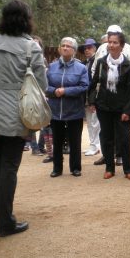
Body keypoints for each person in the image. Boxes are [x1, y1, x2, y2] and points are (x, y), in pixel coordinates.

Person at [0, 0, 47, 237]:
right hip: (17, 113)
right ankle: (5, 222)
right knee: (9, 166)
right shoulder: (30, 48)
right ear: (27, 20)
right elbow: (41, 84)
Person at [89, 31, 130, 180]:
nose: (111, 45)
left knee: (124, 138)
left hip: (122, 108)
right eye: (109, 42)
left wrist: (127, 111)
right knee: (106, 137)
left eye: (115, 42)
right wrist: (92, 101)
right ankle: (109, 168)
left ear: (121, 46)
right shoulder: (102, 62)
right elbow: (94, 82)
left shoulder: (128, 66)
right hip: (104, 106)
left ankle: (128, 169)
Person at [46, 37, 89, 177]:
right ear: (59, 49)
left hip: (74, 111)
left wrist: (65, 91)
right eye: (63, 45)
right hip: (55, 111)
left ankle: (76, 168)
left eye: (68, 46)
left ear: (74, 51)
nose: (65, 48)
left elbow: (84, 87)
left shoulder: (81, 68)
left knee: (75, 141)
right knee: (57, 141)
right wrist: (53, 91)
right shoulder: (51, 67)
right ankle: (57, 168)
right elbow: (44, 86)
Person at [81, 38, 101, 157]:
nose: (87, 50)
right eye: (85, 48)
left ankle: (95, 146)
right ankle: (93, 144)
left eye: (89, 48)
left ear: (95, 48)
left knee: (95, 122)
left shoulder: (97, 62)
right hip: (86, 96)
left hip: (94, 96)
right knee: (89, 122)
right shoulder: (84, 63)